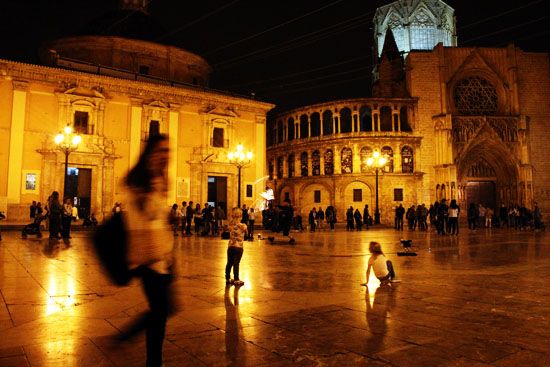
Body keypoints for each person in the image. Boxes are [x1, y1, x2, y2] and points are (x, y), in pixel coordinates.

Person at [118, 134, 175, 367]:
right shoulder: (140, 181)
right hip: (147, 258)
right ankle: (131, 342)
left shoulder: (159, 180)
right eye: (161, 150)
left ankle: (153, 359)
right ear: (150, 152)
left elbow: (159, 218)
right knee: (161, 310)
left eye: (168, 151)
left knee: (162, 311)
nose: (166, 155)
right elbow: (142, 217)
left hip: (162, 255)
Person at [225, 207, 248, 286]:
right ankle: (236, 279)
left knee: (229, 263)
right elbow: (247, 233)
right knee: (236, 263)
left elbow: (229, 229)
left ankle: (227, 278)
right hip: (239, 247)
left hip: (230, 246)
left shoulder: (230, 225)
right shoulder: (243, 226)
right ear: (241, 216)